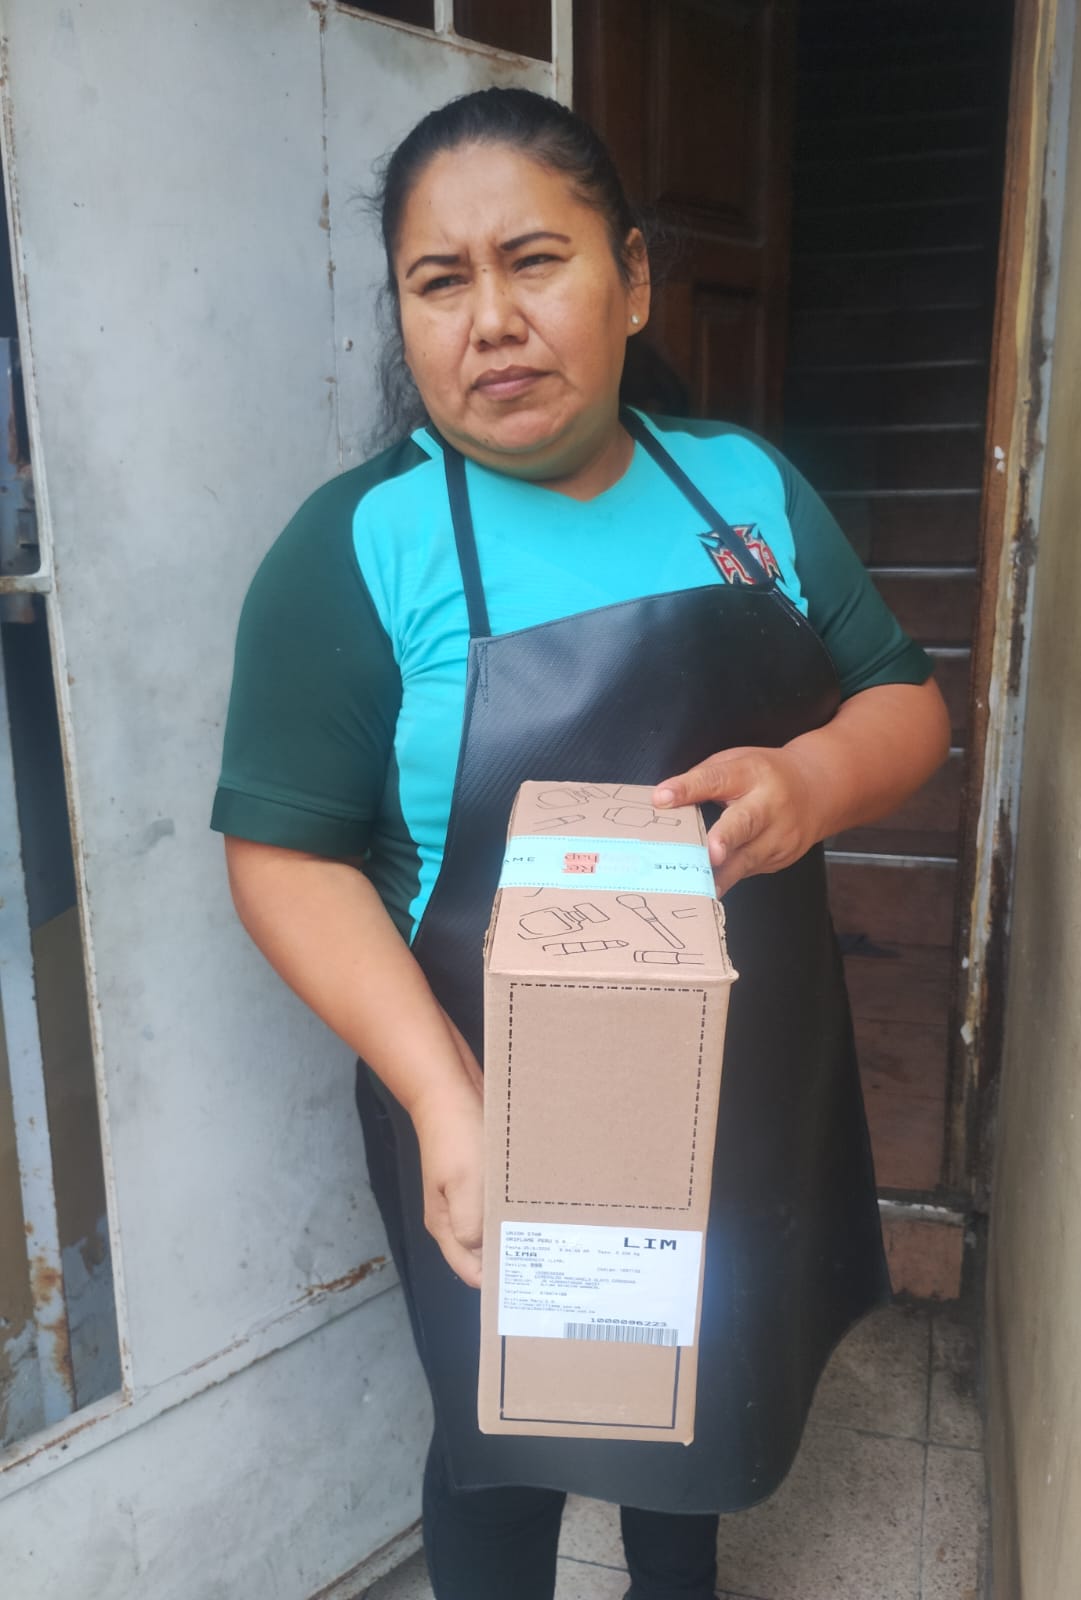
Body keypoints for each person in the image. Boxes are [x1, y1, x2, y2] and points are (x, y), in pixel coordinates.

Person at [211, 88, 949, 1600]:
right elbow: (283, 855)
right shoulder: (356, 548)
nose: (492, 319)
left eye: (534, 260)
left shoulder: (745, 492)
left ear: (634, 279)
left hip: (732, 1072)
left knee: (701, 1403)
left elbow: (902, 700)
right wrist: (444, 1099)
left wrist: (811, 780)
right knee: (505, 1435)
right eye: (440, 281)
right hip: (484, 1085)